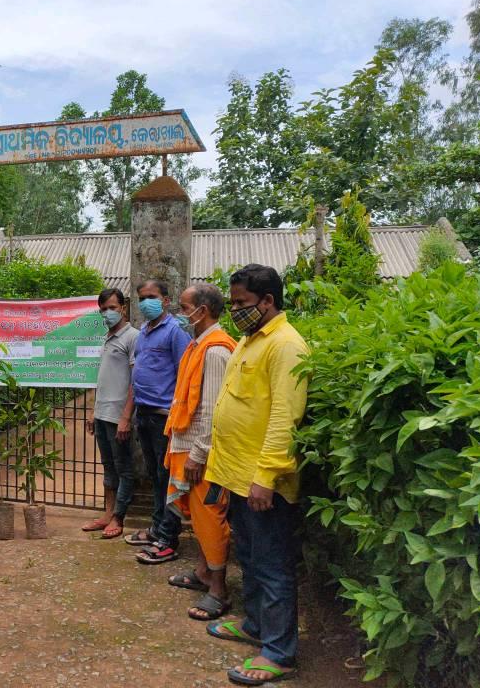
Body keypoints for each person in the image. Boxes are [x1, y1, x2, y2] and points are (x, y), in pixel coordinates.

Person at [204, 264, 309, 686]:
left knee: (272, 565)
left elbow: (285, 416)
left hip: (262, 481)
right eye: (232, 304)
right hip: (236, 475)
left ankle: (280, 652)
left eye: (241, 303)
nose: (235, 311)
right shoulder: (250, 340)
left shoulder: (286, 345)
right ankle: (255, 626)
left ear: (268, 301)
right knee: (248, 557)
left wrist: (266, 475)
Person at [162, 283, 236, 620]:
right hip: (189, 446)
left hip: (203, 454)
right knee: (198, 517)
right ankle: (204, 572)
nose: (179, 313)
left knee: (210, 518)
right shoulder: (198, 345)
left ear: (202, 311)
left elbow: (213, 410)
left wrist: (199, 453)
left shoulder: (216, 351)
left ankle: (218, 590)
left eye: (183, 307)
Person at [122, 279, 192, 565]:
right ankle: (156, 528)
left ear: (166, 300)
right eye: (141, 298)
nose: (145, 302)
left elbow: (185, 374)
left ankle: (167, 539)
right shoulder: (144, 332)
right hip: (145, 413)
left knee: (167, 479)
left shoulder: (175, 331)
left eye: (151, 296)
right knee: (155, 477)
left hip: (165, 416)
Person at [82, 287, 139, 539]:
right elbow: (104, 379)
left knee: (123, 467)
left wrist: (126, 417)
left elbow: (136, 381)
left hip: (119, 417)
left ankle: (118, 517)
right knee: (108, 466)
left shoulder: (133, 337)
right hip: (102, 414)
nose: (108, 313)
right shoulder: (106, 338)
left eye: (112, 308)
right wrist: (94, 411)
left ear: (123, 308)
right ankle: (107, 514)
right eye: (103, 309)